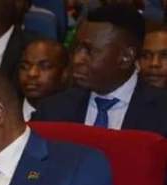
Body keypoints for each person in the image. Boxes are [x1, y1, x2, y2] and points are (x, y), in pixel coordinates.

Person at [32, 4, 167, 135]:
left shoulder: (162, 111)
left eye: (89, 51)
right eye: (77, 49)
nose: (77, 60)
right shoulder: (52, 110)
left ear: (126, 57)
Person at [18, 39, 69, 121]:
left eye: (44, 66)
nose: (32, 73)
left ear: (64, 74)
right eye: (24, 67)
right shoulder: (4, 112)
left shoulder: (75, 117)